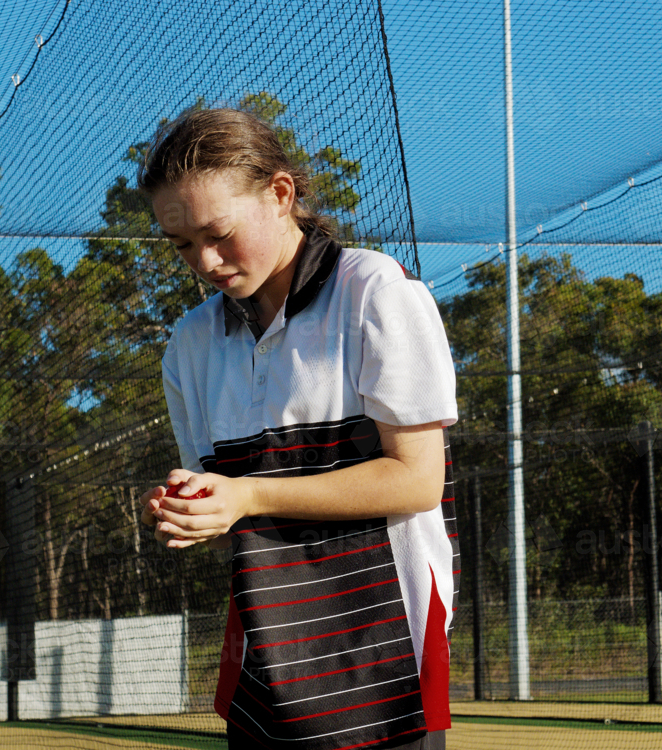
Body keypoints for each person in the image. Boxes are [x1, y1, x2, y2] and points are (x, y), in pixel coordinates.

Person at [137, 107, 458, 750]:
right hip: (267, 672)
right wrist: (194, 505)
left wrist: (250, 494)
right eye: (181, 245)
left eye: (218, 232)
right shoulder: (191, 346)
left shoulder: (375, 294)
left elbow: (418, 480)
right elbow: (227, 498)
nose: (204, 260)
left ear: (281, 194)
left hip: (383, 668)